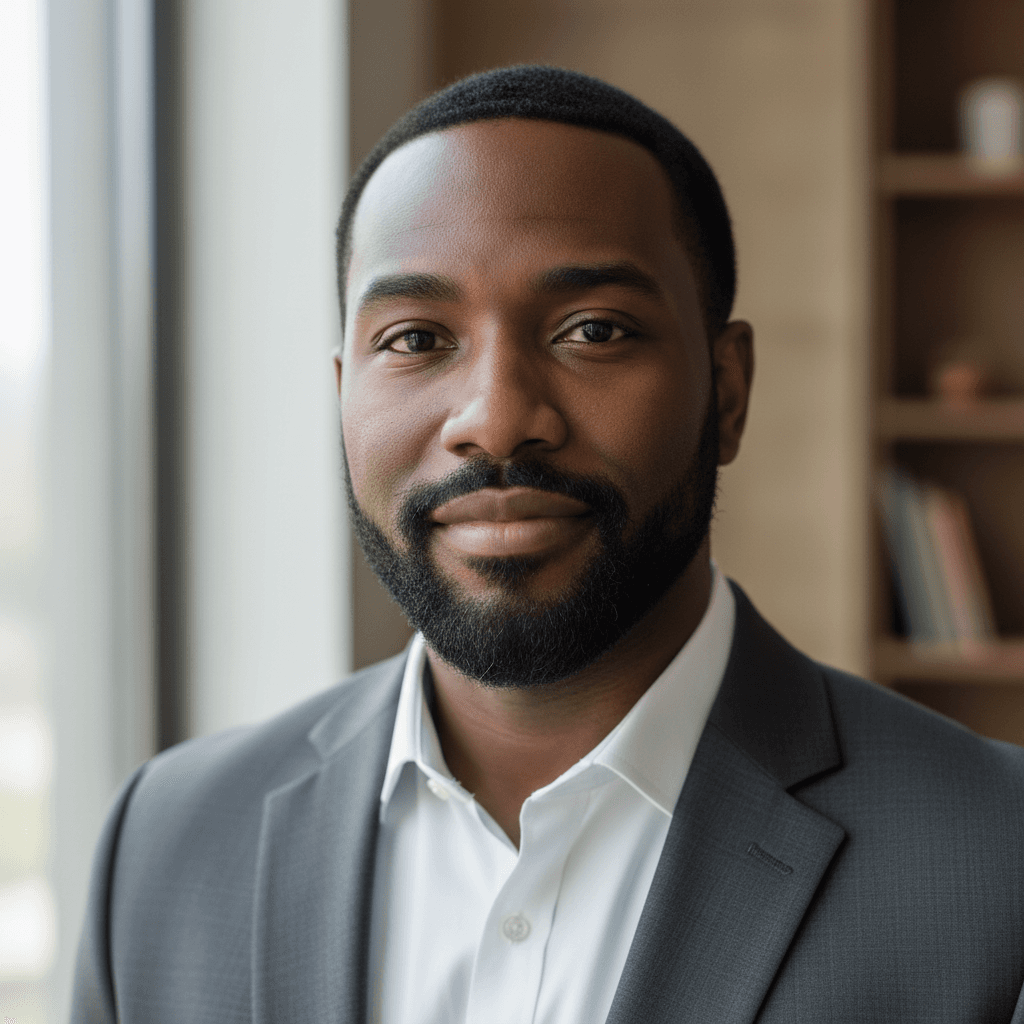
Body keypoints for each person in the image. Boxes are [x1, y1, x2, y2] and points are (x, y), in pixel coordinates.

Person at [72, 66, 1024, 1024]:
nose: (494, 420)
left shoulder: (998, 861)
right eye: (413, 339)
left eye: (593, 330)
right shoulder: (162, 849)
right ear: (341, 395)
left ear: (726, 391)